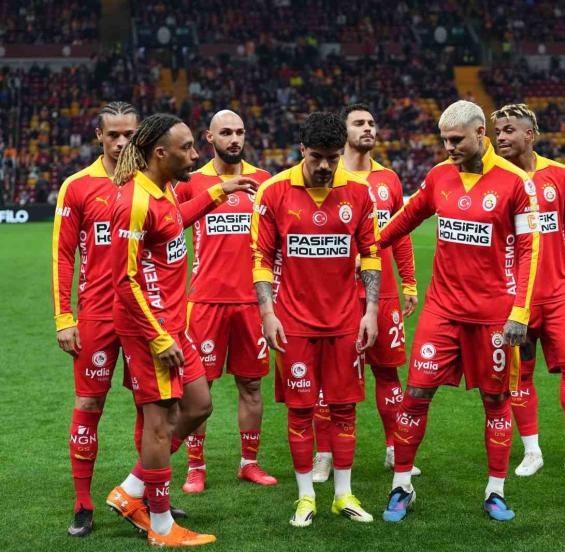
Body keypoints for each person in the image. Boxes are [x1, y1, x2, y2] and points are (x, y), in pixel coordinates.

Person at [378, 100, 540, 523]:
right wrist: (366, 246)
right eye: (444, 140)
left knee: (496, 400)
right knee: (415, 394)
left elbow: (530, 251)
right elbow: (405, 219)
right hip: (442, 311)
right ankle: (401, 485)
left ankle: (495, 491)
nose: (448, 147)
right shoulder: (438, 176)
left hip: (494, 316)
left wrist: (520, 311)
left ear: (480, 133)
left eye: (456, 139)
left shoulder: (517, 183)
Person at [108, 113, 258, 546]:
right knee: (160, 424)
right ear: (161, 153)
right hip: (149, 331)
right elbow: (124, 281)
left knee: (199, 404)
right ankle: (160, 527)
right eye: (187, 148)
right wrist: (157, 337)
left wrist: (218, 191)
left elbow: (174, 222)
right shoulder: (134, 201)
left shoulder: (164, 191)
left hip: (174, 324)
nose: (195, 154)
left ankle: (132, 489)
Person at [251, 112, 381, 527]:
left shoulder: (358, 193)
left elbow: (371, 256)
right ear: (302, 150)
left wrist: (371, 311)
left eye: (334, 157)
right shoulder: (273, 192)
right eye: (317, 157)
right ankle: (306, 496)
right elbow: (260, 259)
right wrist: (268, 313)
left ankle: (343, 495)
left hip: (345, 321)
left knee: (344, 409)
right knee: (301, 410)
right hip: (293, 323)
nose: (326, 166)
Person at [310, 103, 419, 483]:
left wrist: (408, 283)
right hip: (337, 296)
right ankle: (325, 454)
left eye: (371, 122)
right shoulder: (326, 176)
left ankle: (395, 449)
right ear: (344, 132)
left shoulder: (389, 179)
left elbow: (401, 235)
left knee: (388, 372)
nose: (368, 128)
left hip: (383, 293)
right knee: (330, 377)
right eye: (359, 123)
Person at [491, 103, 565, 478]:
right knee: (520, 373)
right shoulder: (494, 180)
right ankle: (532, 451)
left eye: (508, 130)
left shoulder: (561, 175)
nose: (501, 137)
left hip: (559, 293)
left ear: (529, 134)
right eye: (497, 132)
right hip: (514, 296)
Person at [175, 110, 276, 493]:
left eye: (240, 132)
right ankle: (195, 467)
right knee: (200, 388)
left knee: (251, 385)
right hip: (205, 302)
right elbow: (170, 224)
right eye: (226, 133)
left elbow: (276, 241)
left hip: (252, 302)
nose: (234, 139)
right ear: (209, 138)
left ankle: (249, 463)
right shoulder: (192, 182)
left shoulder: (264, 181)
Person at [52, 101, 138, 537]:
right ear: (99, 137)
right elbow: (63, 255)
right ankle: (83, 503)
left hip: (143, 317)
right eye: (113, 135)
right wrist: (64, 317)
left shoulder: (151, 183)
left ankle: (146, 493)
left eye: (129, 135)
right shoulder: (77, 186)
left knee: (154, 406)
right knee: (88, 404)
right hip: (97, 316)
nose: (121, 142)